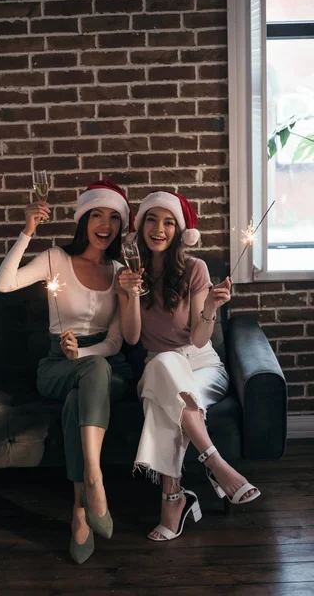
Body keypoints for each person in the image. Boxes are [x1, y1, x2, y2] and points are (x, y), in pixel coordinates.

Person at [0, 179, 134, 564]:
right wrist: (28, 231)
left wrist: (84, 352)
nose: (105, 224)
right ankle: (94, 482)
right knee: (88, 376)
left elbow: (118, 342)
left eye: (113, 218)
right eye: (97, 215)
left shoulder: (120, 270)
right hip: (56, 365)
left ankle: (80, 506)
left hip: (106, 365)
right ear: (84, 219)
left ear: (120, 227)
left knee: (88, 384)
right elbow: (3, 283)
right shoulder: (55, 258)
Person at [117, 190, 260, 542]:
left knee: (163, 405)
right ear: (140, 227)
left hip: (201, 364)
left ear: (179, 231)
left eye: (168, 222)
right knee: (164, 366)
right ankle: (215, 462)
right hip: (157, 366)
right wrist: (130, 294)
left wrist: (211, 304)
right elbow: (133, 338)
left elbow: (198, 339)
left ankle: (174, 500)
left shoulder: (196, 269)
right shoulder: (126, 273)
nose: (159, 229)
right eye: (151, 219)